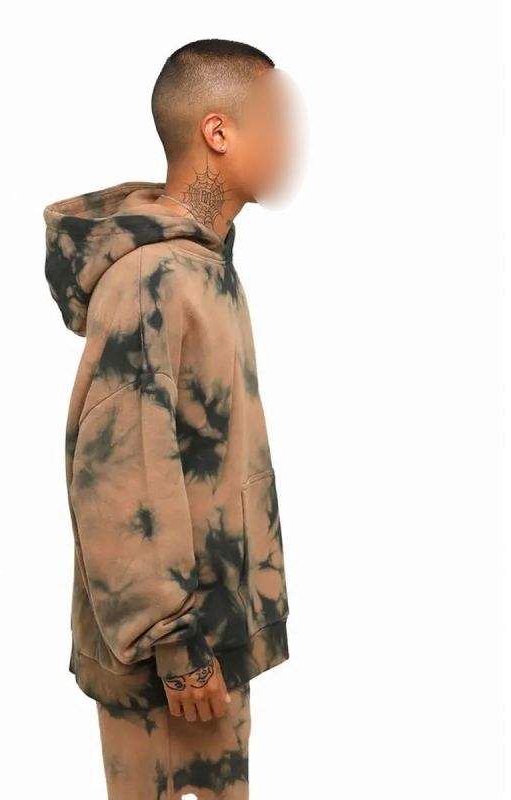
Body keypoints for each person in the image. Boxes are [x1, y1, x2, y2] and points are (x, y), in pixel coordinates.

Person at [43, 38, 298, 800]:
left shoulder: (203, 264)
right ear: (218, 132)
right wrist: (175, 642)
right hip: (171, 660)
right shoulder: (154, 276)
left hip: (208, 640)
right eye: (275, 122)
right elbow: (119, 472)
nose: (291, 142)